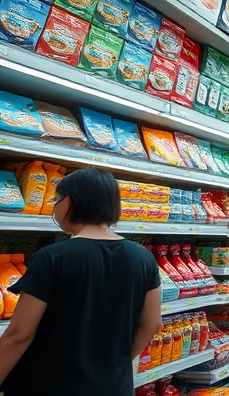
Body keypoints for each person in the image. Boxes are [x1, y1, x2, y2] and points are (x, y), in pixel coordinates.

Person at [0, 168, 163, 396]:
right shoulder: (143, 258)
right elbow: (152, 324)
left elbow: (19, 334)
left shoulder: (52, 257)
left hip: (49, 386)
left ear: (69, 202)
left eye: (56, 200)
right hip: (114, 387)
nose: (54, 208)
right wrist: (117, 361)